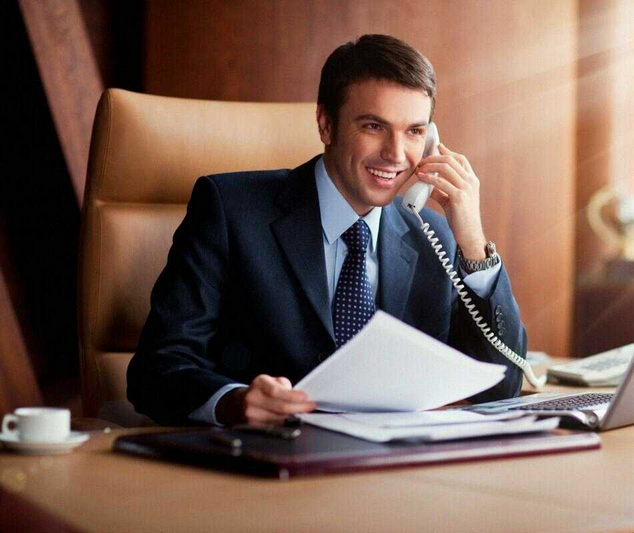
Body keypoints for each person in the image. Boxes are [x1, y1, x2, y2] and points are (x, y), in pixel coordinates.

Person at [127, 34, 527, 426]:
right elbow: (157, 368)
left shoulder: (434, 237)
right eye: (374, 126)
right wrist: (233, 402)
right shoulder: (229, 209)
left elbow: (502, 384)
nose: (396, 153)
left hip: (389, 473)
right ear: (325, 124)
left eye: (414, 132)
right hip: (268, 466)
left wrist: (473, 243)